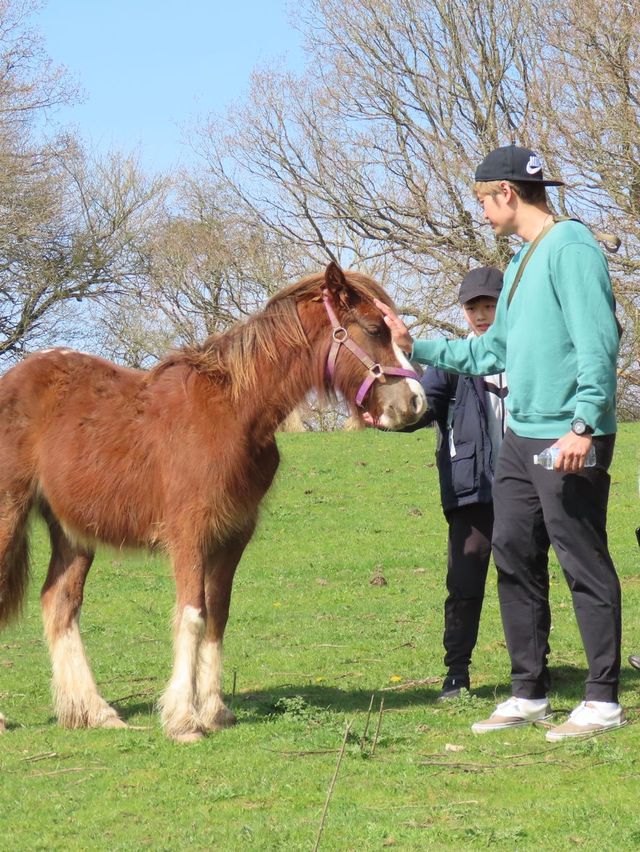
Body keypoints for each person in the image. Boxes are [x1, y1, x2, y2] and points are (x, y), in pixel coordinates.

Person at [376, 145, 623, 741]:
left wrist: (583, 425)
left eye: (484, 200)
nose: (483, 211)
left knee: (580, 557)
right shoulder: (518, 264)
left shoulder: (572, 248)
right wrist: (415, 348)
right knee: (512, 554)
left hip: (569, 431)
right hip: (520, 437)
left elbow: (600, 343)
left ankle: (601, 700)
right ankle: (528, 692)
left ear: (506, 194)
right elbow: (491, 353)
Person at [420, 267, 507, 700]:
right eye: (473, 307)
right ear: (463, 311)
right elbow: (422, 406)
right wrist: (386, 417)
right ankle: (456, 674)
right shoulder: (450, 359)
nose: (481, 314)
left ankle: (534, 670)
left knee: (525, 579)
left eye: (489, 304)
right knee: (464, 582)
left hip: (524, 485)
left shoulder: (527, 353)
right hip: (470, 489)